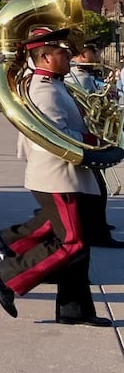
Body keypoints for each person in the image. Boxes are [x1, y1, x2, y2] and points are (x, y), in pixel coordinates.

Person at [0, 26, 111, 326]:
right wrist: (95, 142)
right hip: (57, 175)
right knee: (72, 243)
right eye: (61, 52)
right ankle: (8, 275)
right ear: (44, 56)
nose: (68, 55)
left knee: (78, 247)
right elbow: (58, 135)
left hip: (66, 174)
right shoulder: (43, 89)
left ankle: (74, 309)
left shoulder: (54, 84)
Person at [65, 43, 124, 248]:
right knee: (94, 191)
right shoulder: (74, 78)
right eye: (94, 51)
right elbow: (86, 108)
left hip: (86, 140)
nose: (98, 55)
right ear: (82, 55)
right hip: (82, 142)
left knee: (95, 190)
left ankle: (97, 228)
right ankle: (96, 232)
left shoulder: (79, 76)